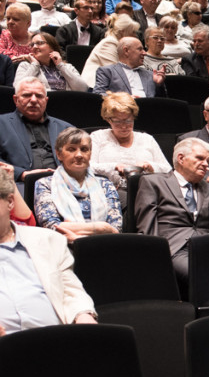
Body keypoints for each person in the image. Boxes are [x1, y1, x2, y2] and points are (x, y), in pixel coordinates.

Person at [0, 167, 99, 333]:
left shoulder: (48, 241)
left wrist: (83, 315)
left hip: (54, 342)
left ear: (10, 202)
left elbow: (70, 291)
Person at [135, 137, 209, 280]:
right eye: (200, 158)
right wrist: (155, 256)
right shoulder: (154, 182)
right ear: (181, 158)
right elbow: (147, 226)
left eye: (207, 160)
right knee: (206, 274)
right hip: (175, 248)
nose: (206, 164)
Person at [32, 127, 120, 241]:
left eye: (84, 149)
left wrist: (77, 235)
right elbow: (52, 227)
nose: (79, 155)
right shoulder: (45, 184)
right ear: (59, 154)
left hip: (104, 245)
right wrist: (102, 227)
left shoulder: (105, 184)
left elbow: (116, 228)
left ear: (90, 154)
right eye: (71, 149)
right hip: (64, 246)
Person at [90, 92, 169, 190]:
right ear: (108, 119)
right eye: (117, 121)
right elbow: (88, 167)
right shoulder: (98, 137)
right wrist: (114, 166)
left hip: (147, 191)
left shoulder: (147, 139)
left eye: (128, 121)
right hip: (110, 192)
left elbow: (168, 170)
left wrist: (149, 166)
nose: (123, 126)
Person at [0, 79, 72, 182]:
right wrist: (21, 174)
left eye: (39, 96)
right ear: (16, 100)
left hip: (63, 185)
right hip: (17, 185)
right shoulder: (2, 124)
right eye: (26, 95)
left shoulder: (66, 129)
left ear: (46, 101)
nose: (33, 100)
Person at [93, 36, 167, 97]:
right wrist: (125, 100)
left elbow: (162, 101)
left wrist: (158, 84)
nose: (144, 53)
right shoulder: (107, 71)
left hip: (147, 111)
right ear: (126, 51)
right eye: (140, 49)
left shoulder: (151, 74)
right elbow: (99, 94)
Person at [14, 32, 88, 91]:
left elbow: (83, 89)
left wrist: (61, 66)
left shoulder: (67, 67)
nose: (35, 47)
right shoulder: (25, 66)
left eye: (39, 43)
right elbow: (18, 88)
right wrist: (35, 65)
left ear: (52, 47)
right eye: (32, 45)